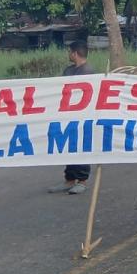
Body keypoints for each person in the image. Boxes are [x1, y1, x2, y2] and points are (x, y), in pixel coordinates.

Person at [48, 40, 97, 195]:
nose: (68, 54)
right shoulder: (69, 70)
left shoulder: (88, 71)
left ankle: (82, 180)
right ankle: (69, 179)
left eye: (70, 51)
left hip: (83, 116)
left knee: (81, 146)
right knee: (69, 147)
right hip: (67, 114)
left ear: (75, 53)